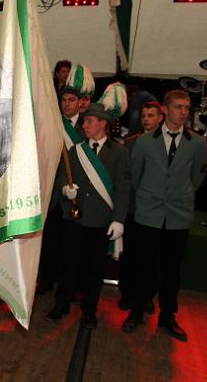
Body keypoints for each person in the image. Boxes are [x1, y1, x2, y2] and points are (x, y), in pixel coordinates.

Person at [122, 90, 207, 342]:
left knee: (172, 270)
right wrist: (152, 195)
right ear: (166, 110)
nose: (184, 112)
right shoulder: (144, 142)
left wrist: (179, 195)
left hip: (178, 216)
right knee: (144, 266)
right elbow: (135, 176)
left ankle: (168, 316)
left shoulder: (197, 143)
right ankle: (137, 311)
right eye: (179, 107)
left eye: (187, 108)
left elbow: (197, 177)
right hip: (149, 214)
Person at [46, 103, 130, 329]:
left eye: (89, 121)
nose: (84, 125)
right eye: (84, 121)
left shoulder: (119, 153)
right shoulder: (76, 151)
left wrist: (119, 219)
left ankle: (89, 311)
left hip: (101, 221)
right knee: (67, 265)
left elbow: (123, 189)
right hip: (75, 219)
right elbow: (62, 175)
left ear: (103, 123)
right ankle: (61, 305)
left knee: (94, 270)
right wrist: (65, 189)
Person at [36, 72, 88, 295]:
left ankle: (71, 286)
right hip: (52, 193)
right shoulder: (52, 124)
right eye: (63, 100)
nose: (66, 104)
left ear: (80, 103)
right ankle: (46, 281)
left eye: (71, 100)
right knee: (50, 241)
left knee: (73, 244)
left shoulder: (87, 127)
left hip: (76, 193)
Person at [118, 101, 163, 312]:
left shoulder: (166, 144)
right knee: (131, 254)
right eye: (144, 115)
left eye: (151, 115)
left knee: (152, 256)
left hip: (155, 210)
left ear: (160, 117)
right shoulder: (130, 143)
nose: (146, 119)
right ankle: (127, 294)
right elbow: (125, 177)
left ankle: (147, 297)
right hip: (133, 208)